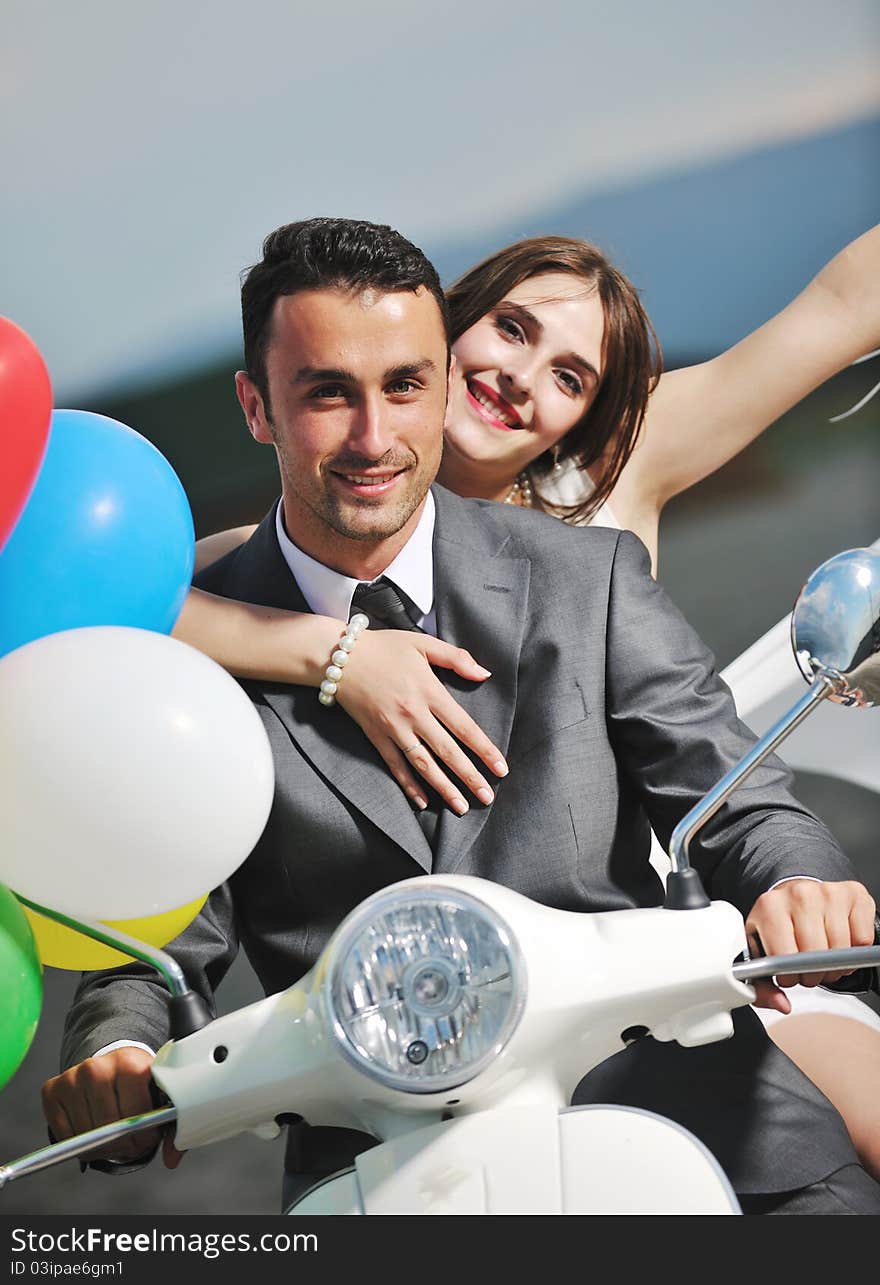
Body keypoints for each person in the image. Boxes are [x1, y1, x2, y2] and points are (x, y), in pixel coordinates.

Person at [43, 218, 880, 1214]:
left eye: (571, 377)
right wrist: (117, 1046)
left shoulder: (591, 555)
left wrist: (800, 878)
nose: (372, 432)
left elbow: (727, 784)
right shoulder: (220, 614)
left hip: (678, 1010)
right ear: (258, 406)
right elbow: (159, 888)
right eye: (513, 329)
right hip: (391, 1140)